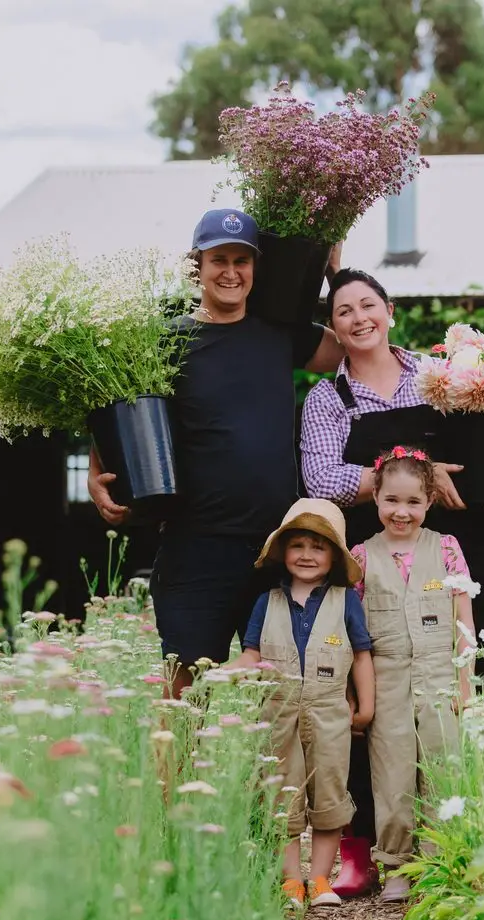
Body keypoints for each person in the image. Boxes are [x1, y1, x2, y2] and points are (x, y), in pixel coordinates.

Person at [299, 267, 484, 896]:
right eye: (344, 311)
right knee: (367, 695)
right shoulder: (328, 400)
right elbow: (323, 477)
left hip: (463, 543)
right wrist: (410, 478)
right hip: (372, 555)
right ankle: (367, 843)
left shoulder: (444, 376)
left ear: (389, 311)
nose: (359, 318)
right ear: (332, 328)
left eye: (369, 305)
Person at [88, 209, 345, 696]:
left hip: (277, 547)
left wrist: (334, 274)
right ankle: (179, 775)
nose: (231, 272)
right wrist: (96, 471)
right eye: (218, 259)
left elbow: (352, 347)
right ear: (197, 267)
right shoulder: (166, 342)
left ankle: (265, 776)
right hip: (196, 544)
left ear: (256, 268)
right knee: (186, 687)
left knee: (284, 687)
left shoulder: (280, 332)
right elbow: (112, 406)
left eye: (242, 261)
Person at [229, 498, 374, 910]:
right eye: (298, 545)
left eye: (319, 546)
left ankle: (320, 880)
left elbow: (362, 654)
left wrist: (366, 706)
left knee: (329, 798)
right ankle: (292, 881)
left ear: (334, 555)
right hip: (277, 714)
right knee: (283, 799)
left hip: (329, 713)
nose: (307, 555)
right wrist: (235, 667)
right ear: (283, 552)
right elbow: (252, 652)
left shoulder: (345, 600)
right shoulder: (266, 601)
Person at [349, 447, 474, 903]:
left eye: (413, 503)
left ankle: (444, 862)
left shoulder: (445, 548)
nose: (402, 512)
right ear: (376, 499)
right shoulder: (360, 556)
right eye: (392, 501)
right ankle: (396, 866)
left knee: (444, 771)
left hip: (440, 676)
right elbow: (353, 635)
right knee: (392, 775)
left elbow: (465, 622)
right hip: (387, 684)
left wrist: (466, 683)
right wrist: (357, 697)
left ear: (429, 503)